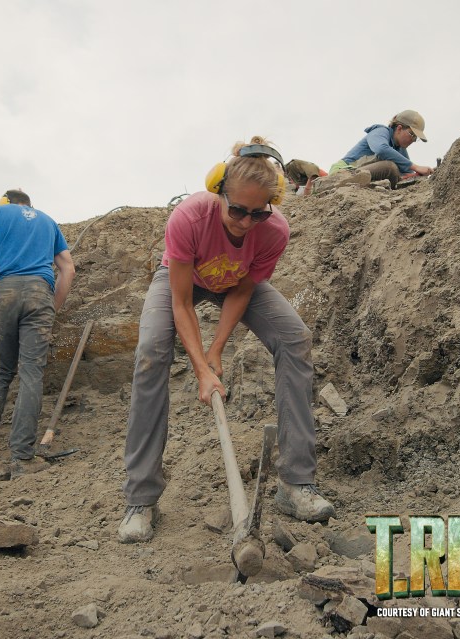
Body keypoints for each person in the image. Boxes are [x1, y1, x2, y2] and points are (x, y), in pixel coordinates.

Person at [118, 138, 335, 544]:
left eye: (258, 213)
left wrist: (217, 350)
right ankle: (141, 498)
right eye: (236, 210)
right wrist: (201, 368)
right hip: (181, 281)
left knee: (294, 338)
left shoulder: (274, 232)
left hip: (232, 284)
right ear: (219, 193)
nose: (245, 222)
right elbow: (181, 303)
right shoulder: (189, 218)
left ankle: (296, 484)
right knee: (151, 352)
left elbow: (241, 291)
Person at [0, 189, 75, 478]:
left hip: (3, 293)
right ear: (29, 204)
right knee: (31, 372)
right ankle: (22, 457)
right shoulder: (48, 222)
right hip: (39, 293)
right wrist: (51, 308)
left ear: (6, 201)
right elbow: (68, 269)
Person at [322, 110, 435, 190]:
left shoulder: (399, 149)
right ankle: (337, 184)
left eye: (416, 138)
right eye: (412, 134)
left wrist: (418, 174)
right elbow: (381, 149)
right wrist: (416, 167)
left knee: (395, 172)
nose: (413, 140)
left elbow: (407, 174)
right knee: (390, 167)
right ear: (399, 128)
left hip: (361, 173)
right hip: (342, 172)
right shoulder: (380, 132)